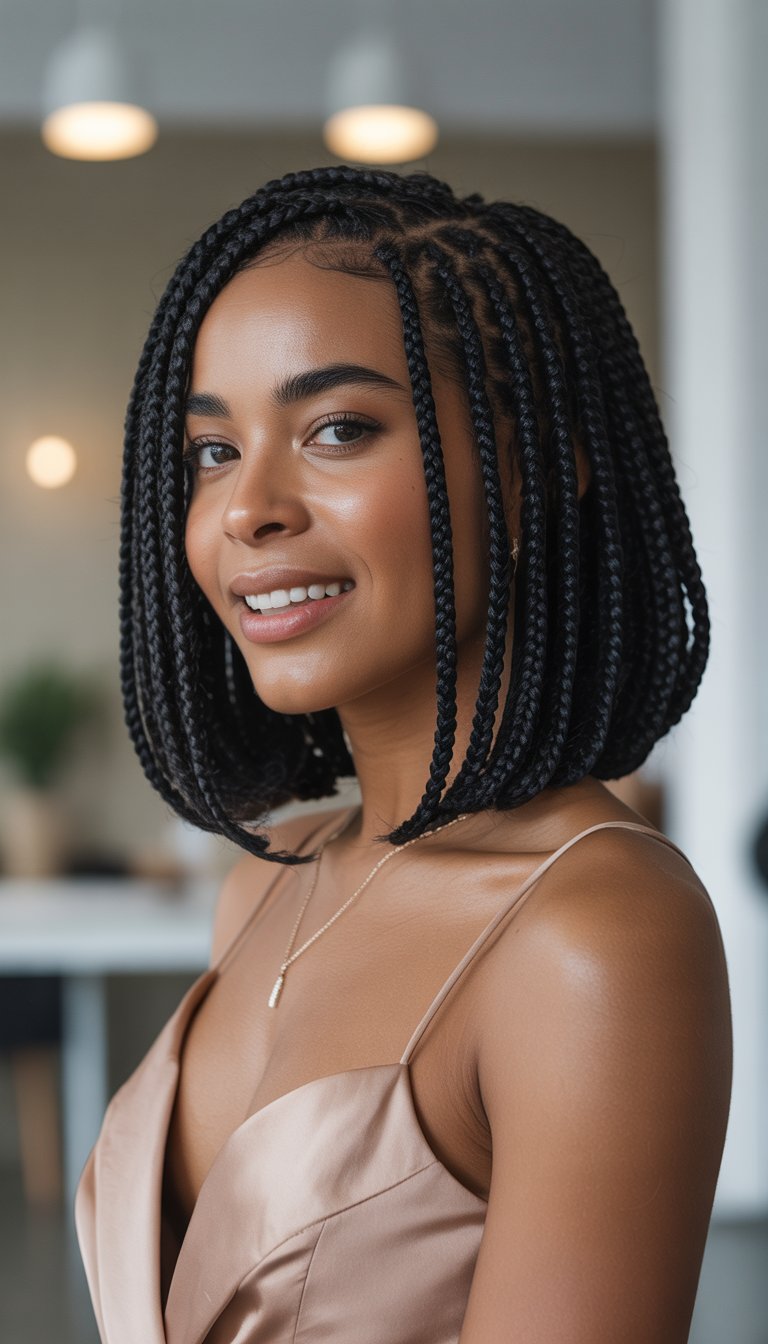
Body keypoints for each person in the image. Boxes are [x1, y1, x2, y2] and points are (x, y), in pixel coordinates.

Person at [74, 166, 732, 1343]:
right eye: (213, 451)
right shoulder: (266, 887)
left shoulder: (593, 932)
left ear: (537, 469)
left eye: (338, 429)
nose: (248, 508)